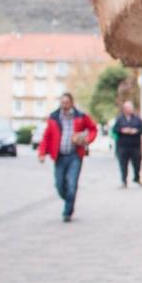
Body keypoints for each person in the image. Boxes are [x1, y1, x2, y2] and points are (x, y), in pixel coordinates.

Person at [36, 92, 98, 222]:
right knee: (59, 185)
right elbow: (46, 136)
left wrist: (87, 139)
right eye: (62, 102)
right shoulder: (54, 117)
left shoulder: (81, 116)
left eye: (67, 103)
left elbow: (93, 129)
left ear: (71, 103)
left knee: (72, 183)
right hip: (59, 156)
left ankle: (67, 212)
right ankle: (69, 199)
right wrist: (41, 153)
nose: (64, 105)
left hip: (75, 155)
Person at [113, 100, 142, 187]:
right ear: (124, 109)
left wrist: (136, 131)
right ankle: (124, 180)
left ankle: (137, 178)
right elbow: (114, 129)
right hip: (123, 145)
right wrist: (122, 130)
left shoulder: (137, 119)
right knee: (123, 164)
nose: (129, 109)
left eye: (130, 108)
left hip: (135, 145)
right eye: (127, 108)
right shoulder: (120, 119)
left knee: (137, 163)